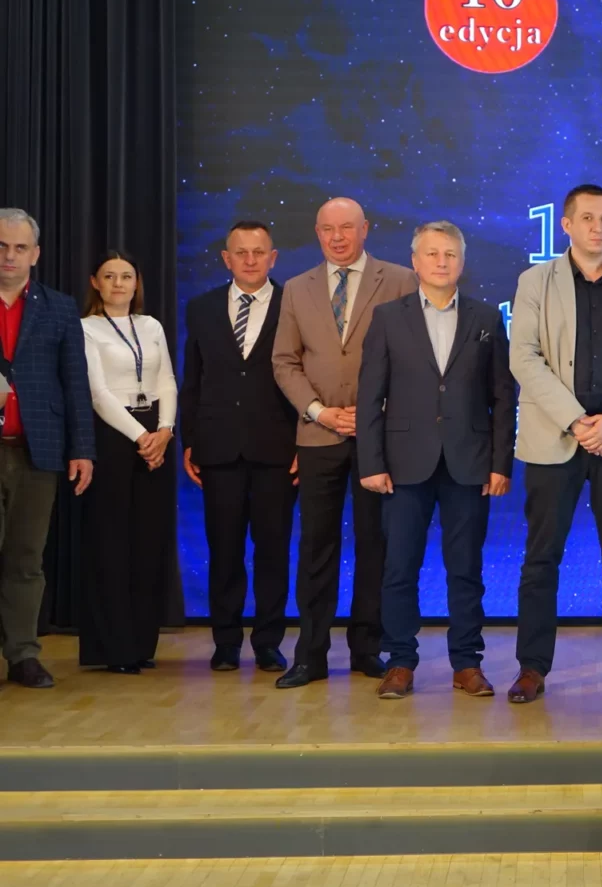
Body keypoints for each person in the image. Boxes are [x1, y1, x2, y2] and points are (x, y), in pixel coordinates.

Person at [507, 185, 602, 704]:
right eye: (588, 218)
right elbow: (524, 357)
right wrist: (577, 422)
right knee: (541, 559)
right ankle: (532, 668)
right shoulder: (535, 281)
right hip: (555, 439)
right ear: (567, 225)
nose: (598, 227)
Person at [359, 221, 515, 699]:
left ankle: (466, 663)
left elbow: (502, 397)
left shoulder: (486, 318)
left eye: (450, 254)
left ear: (462, 262)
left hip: (469, 463)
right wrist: (371, 462)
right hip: (403, 464)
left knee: (465, 569)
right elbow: (370, 396)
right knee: (399, 568)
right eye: (432, 253)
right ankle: (400, 662)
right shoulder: (388, 317)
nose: (441, 262)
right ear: (415, 261)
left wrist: (501, 463)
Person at [270, 197, 416, 688]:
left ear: (365, 229)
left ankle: (367, 649)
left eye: (347, 227)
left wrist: (377, 410)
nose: (337, 237)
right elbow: (284, 361)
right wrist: (319, 411)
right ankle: (310, 655)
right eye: (328, 229)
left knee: (376, 544)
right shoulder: (296, 288)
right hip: (318, 434)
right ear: (317, 233)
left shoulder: (400, 280)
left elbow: (413, 358)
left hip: (380, 437)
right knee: (317, 546)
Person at [181, 221, 297, 673]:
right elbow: (194, 380)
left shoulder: (294, 305)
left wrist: (304, 442)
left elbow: (306, 376)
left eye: (259, 251)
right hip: (218, 447)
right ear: (226, 258)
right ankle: (226, 642)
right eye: (241, 252)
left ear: (273, 257)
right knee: (224, 549)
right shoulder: (202, 308)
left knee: (273, 550)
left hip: (278, 449)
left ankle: (268, 642)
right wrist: (191, 440)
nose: (250, 260)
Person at [0, 209, 94, 691]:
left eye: (20, 248)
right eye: (2, 246)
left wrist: (82, 449)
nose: (10, 256)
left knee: (25, 558)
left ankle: (22, 655)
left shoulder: (58, 307)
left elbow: (75, 383)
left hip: (38, 451)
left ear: (35, 254)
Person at [78, 250, 177, 673]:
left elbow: (167, 379)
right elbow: (98, 394)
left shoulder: (151, 326)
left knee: (148, 542)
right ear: (95, 283)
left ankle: (141, 644)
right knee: (112, 543)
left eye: (126, 276)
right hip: (113, 436)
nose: (118, 283)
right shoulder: (86, 328)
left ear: (137, 283)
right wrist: (141, 437)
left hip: (156, 435)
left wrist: (165, 431)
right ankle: (114, 649)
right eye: (109, 276)